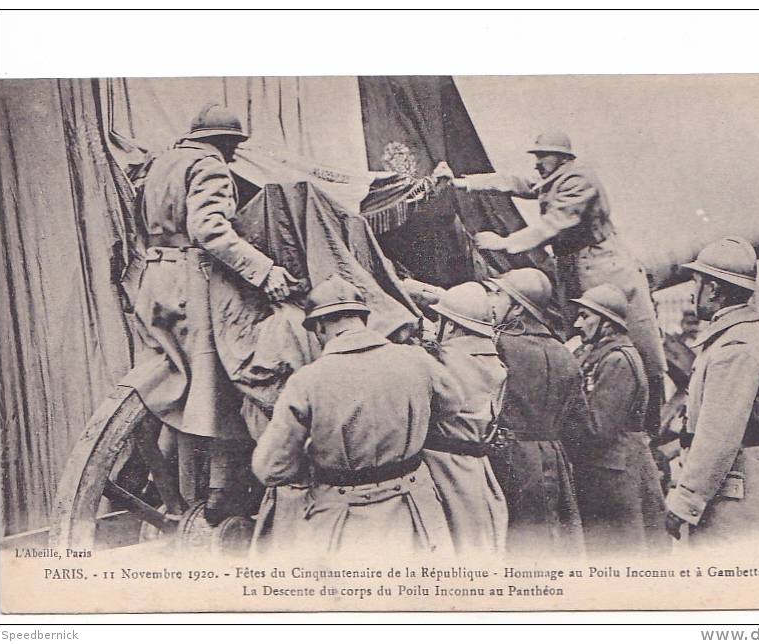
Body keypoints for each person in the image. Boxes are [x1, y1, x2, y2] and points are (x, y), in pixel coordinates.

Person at [124, 104, 300, 525]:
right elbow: (210, 231)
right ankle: (220, 497)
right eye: (233, 146)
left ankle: (151, 480)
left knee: (175, 382)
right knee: (221, 376)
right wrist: (265, 271)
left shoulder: (160, 162)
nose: (235, 156)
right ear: (222, 142)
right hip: (192, 280)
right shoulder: (210, 166)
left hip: (154, 278)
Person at [434, 131, 666, 435]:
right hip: (574, 269)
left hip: (606, 270)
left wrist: (504, 243)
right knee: (585, 345)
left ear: (562, 157)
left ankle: (649, 428)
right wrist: (464, 183)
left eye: (543, 155)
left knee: (642, 351)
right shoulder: (557, 176)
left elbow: (551, 225)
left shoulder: (578, 180)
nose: (538, 162)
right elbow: (516, 183)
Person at [252, 275, 460, 558]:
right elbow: (452, 408)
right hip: (414, 511)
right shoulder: (417, 359)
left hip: (341, 517)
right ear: (364, 319)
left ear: (320, 327)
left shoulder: (307, 381)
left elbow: (270, 467)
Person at [664, 237, 759, 548]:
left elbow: (717, 436)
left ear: (714, 289)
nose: (691, 291)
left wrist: (685, 501)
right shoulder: (746, 335)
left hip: (740, 497)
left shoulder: (734, 349)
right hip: (751, 486)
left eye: (696, 282)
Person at [483, 268, 586, 558]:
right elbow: (578, 421)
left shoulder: (498, 345)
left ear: (517, 306)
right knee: (553, 539)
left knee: (514, 542)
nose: (493, 301)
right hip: (554, 456)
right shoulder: (564, 352)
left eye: (499, 294)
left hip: (508, 456)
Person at [566, 284, 668, 554]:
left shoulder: (617, 360)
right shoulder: (599, 353)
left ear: (607, 323)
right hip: (610, 469)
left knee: (619, 551)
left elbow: (598, 428)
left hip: (617, 473)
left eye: (586, 316)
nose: (579, 323)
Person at [423, 282, 509, 556]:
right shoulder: (496, 364)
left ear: (450, 324)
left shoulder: (440, 360)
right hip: (478, 467)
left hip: (440, 465)